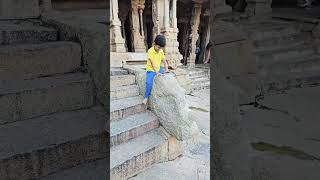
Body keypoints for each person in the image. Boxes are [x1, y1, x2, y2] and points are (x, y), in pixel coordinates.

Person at [142, 34, 169, 105]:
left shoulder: (161, 51)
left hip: (159, 68)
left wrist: (166, 68)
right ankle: (146, 97)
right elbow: (152, 63)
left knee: (165, 72)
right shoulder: (150, 51)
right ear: (154, 44)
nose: (159, 49)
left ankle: (167, 69)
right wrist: (156, 72)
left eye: (161, 48)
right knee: (148, 82)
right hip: (151, 69)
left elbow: (164, 61)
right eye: (158, 47)